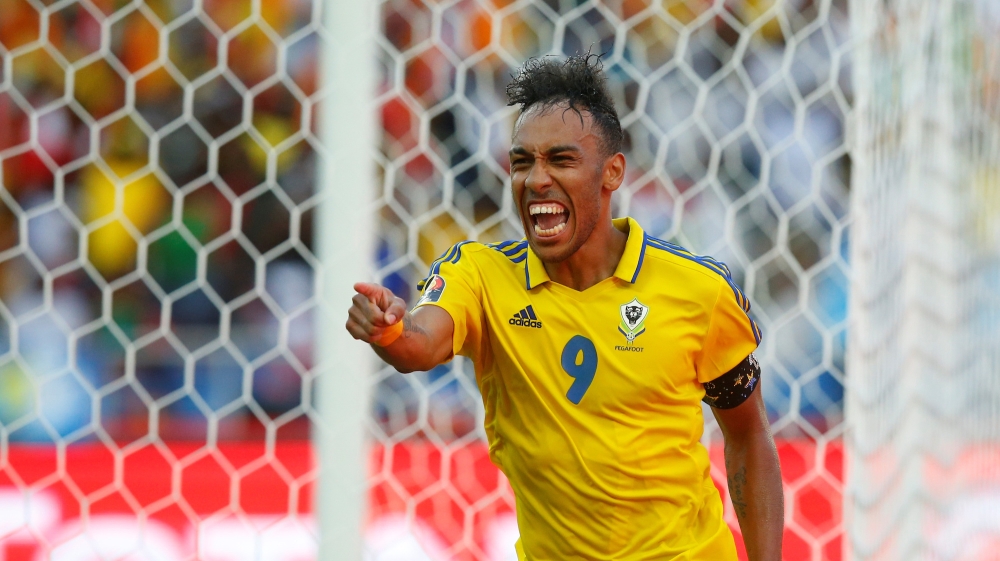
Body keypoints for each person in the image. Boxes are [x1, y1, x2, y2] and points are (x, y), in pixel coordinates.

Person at [346, 54, 783, 561]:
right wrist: (389, 331)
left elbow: (749, 435)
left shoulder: (696, 289)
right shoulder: (481, 276)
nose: (536, 179)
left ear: (612, 172)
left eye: (561, 160)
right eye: (522, 162)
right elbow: (419, 344)